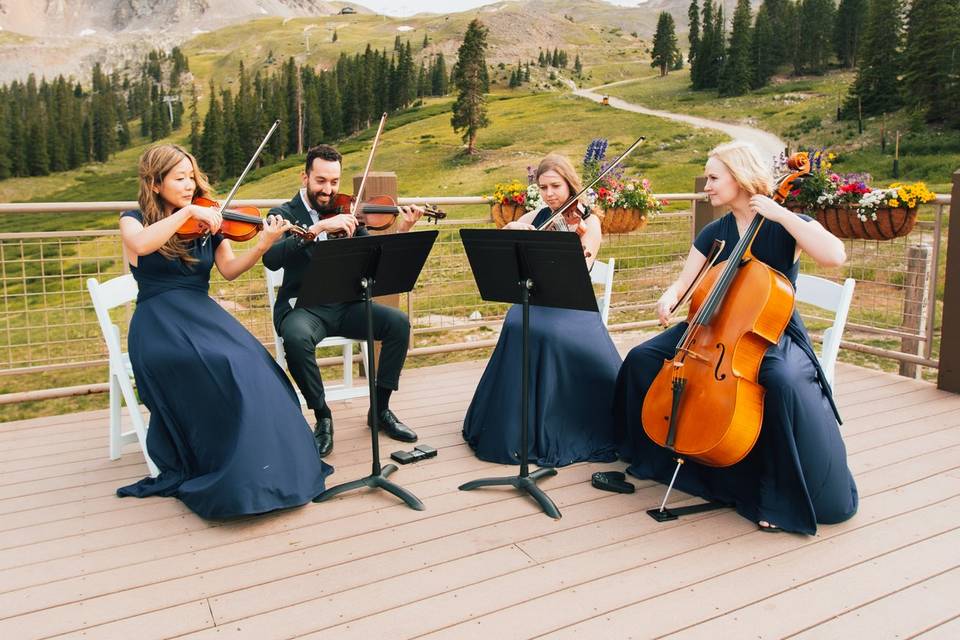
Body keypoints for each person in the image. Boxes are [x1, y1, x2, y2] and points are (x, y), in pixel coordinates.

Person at [613, 141, 858, 534]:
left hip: (767, 330)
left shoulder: (782, 224)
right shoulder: (717, 230)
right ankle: (660, 458)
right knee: (643, 358)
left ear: (739, 177)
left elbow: (834, 256)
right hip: (711, 328)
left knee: (780, 381)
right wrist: (669, 297)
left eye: (713, 177)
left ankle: (776, 493)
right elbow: (685, 282)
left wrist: (782, 214)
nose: (706, 186)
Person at [116, 144, 332, 519]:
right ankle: (230, 467)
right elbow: (140, 244)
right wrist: (187, 211)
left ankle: (269, 466)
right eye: (179, 179)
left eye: (191, 177)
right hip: (159, 325)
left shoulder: (208, 221)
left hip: (201, 315)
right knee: (224, 364)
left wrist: (263, 243)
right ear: (154, 183)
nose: (189, 185)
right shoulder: (133, 219)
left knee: (256, 364)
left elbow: (230, 270)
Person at [263, 144, 424, 458]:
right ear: (305, 176)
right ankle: (323, 416)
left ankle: (380, 409)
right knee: (295, 337)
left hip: (346, 304)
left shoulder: (348, 213)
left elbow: (378, 257)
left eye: (334, 182)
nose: (328, 190)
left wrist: (403, 227)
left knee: (398, 323)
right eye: (321, 181)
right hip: (304, 307)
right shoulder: (283, 214)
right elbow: (271, 258)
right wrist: (318, 228)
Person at [462, 153, 622, 467]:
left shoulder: (588, 222)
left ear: (570, 184)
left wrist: (567, 250)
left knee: (543, 330)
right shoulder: (535, 215)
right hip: (538, 300)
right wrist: (511, 233)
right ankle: (515, 421)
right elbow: (511, 244)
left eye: (556, 186)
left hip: (573, 304)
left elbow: (581, 267)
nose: (549, 194)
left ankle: (553, 418)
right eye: (544, 186)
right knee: (516, 320)